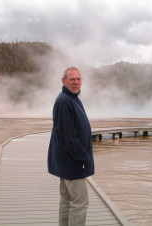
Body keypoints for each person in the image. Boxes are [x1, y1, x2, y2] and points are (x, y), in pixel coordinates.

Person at [48, 67, 95, 226]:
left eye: (78, 79)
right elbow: (69, 138)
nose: (76, 82)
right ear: (63, 80)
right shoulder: (64, 101)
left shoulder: (72, 98)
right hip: (72, 162)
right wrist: (83, 157)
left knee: (67, 200)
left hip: (66, 160)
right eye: (72, 79)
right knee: (80, 203)